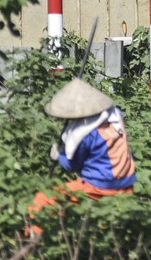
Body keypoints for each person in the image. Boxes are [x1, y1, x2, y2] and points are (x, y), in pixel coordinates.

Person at [28, 78, 137, 239]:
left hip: (98, 187)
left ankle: (33, 243)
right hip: (127, 183)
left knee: (43, 200)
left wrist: (59, 156)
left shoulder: (87, 134)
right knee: (109, 231)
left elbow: (72, 165)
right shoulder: (115, 117)